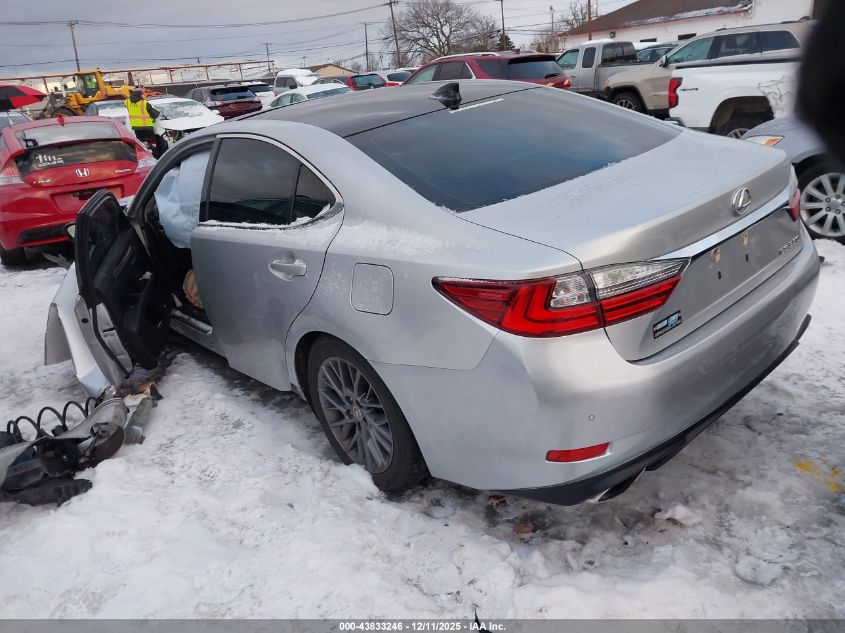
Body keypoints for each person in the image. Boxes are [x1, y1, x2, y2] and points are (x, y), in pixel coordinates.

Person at [124, 88, 164, 157]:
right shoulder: (144, 103)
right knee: (152, 143)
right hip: (147, 127)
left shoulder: (127, 102)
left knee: (142, 144)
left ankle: (144, 155)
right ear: (140, 94)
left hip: (136, 127)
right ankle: (155, 156)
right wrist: (156, 115)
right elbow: (154, 114)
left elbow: (126, 106)